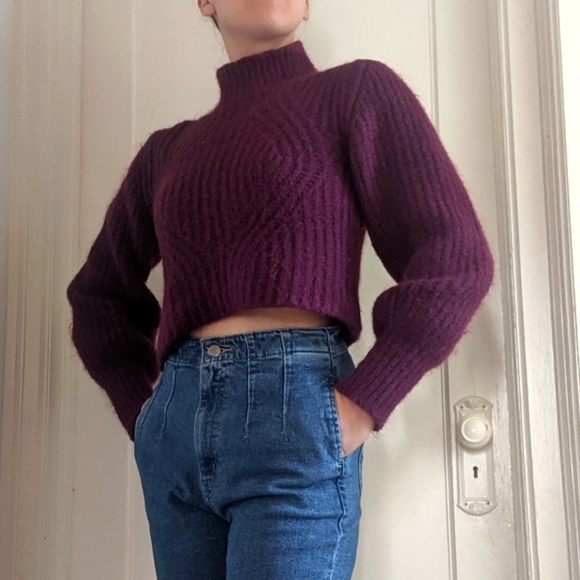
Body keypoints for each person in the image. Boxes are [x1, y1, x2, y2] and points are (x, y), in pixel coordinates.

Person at [66, 0, 495, 578]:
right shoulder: (166, 152)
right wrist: (146, 418)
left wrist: (365, 402)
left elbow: (455, 259)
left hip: (298, 410)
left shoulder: (356, 93)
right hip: (176, 430)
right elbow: (98, 297)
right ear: (205, 1)